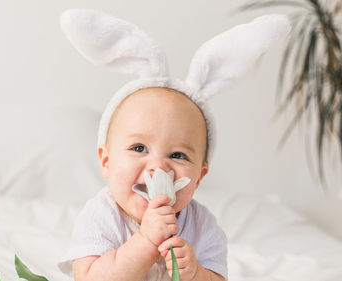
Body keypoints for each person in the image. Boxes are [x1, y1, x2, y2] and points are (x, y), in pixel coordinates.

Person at [57, 8, 290, 281]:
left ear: (199, 177)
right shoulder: (101, 215)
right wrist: (145, 241)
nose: (158, 167)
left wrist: (197, 273)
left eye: (177, 154)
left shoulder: (203, 226)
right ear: (106, 162)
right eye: (139, 148)